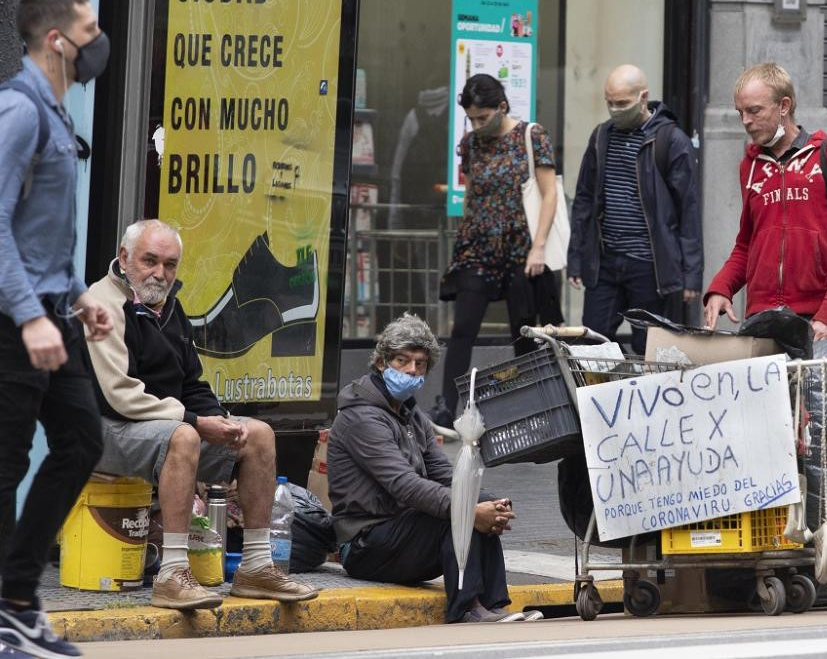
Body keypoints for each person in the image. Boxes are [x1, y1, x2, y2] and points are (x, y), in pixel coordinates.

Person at [0, 0, 113, 659]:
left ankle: (14, 605)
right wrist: (30, 315)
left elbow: (44, 232)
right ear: (56, 40)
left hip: (45, 307)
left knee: (79, 441)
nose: (100, 40)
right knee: (0, 463)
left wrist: (74, 296)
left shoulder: (55, 111)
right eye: (90, 28)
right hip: (1, 314)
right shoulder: (15, 111)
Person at [87, 219, 319, 608]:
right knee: (185, 436)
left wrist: (222, 422)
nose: (160, 273)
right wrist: (196, 422)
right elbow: (119, 396)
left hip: (160, 427)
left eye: (170, 264)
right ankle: (172, 574)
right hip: (104, 429)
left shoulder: (168, 308)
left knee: (258, 434)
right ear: (124, 258)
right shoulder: (99, 305)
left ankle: (256, 566)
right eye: (150, 261)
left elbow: (191, 383)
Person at [328, 314, 539, 623]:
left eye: (420, 364)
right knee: (457, 514)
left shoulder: (412, 415)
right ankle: (467, 608)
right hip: (364, 544)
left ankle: (494, 604)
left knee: (478, 500)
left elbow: (443, 473)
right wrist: (468, 510)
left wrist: (488, 505)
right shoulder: (362, 417)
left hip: (404, 534)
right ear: (382, 363)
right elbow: (404, 485)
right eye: (403, 361)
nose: (412, 370)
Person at [703, 62, 827, 340]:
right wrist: (721, 288)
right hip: (762, 321)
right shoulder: (750, 167)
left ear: (784, 106)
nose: (746, 121)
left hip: (816, 322)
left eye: (754, 110)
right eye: (740, 112)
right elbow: (747, 243)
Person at [439, 74, 561, 419]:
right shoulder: (471, 144)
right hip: (478, 247)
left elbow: (549, 192)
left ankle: (533, 410)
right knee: (463, 327)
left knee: (523, 332)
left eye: (483, 117)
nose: (477, 125)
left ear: (502, 107)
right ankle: (448, 408)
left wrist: (539, 247)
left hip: (521, 247)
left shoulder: (531, 135)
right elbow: (473, 192)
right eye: (472, 118)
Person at [567, 64, 702, 356]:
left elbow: (687, 210)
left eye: (622, 103)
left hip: (649, 267)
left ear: (644, 97)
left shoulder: (671, 140)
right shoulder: (601, 136)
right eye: (610, 103)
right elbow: (584, 199)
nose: (615, 110)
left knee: (648, 348)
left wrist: (691, 276)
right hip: (605, 261)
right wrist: (577, 257)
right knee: (591, 344)